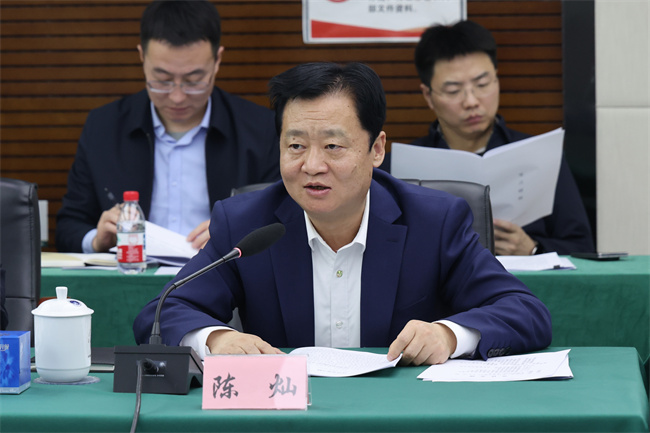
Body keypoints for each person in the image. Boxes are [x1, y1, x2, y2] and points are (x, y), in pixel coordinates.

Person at [134, 62, 552, 366]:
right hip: (287, 414)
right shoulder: (247, 224)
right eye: (296, 146)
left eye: (333, 146)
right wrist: (216, 339)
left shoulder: (434, 222)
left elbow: (525, 311)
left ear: (376, 149)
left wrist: (447, 334)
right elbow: (162, 312)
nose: (312, 165)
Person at [55, 0, 280, 253]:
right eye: (162, 80)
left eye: (194, 81)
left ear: (217, 60)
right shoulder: (104, 128)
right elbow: (69, 226)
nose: (177, 97)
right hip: (132, 272)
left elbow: (286, 219)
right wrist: (97, 239)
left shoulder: (261, 130)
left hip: (224, 273)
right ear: (142, 57)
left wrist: (237, 231)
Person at [381, 20, 594, 256]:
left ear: (497, 80)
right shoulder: (395, 170)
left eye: (482, 84)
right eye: (453, 90)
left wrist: (533, 249)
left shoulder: (542, 156)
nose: (471, 101)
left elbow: (582, 248)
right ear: (428, 96)